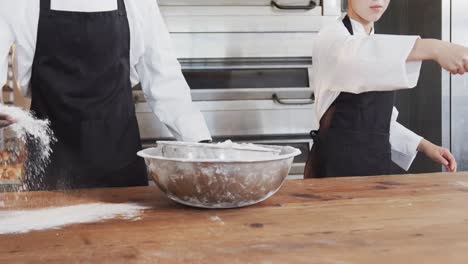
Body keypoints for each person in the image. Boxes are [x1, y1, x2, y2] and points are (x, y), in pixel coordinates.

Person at [0, 0, 211, 189]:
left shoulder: (137, 4)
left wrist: (200, 146)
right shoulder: (19, 3)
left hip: (121, 175)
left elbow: (166, 81)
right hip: (48, 171)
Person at [305, 0, 468, 178]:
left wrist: (425, 146)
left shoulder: (377, 44)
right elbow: (358, 56)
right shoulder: (332, 38)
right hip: (334, 172)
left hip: (375, 170)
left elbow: (376, 123)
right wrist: (436, 48)